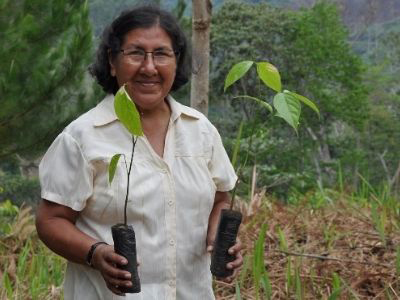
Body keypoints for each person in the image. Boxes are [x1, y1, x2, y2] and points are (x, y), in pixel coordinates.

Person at [36, 5, 243, 300]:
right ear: (112, 61)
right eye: (135, 53)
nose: (149, 67)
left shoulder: (200, 131)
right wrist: (95, 253)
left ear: (177, 61)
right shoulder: (83, 137)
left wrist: (219, 235)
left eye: (161, 54)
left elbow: (221, 198)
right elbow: (51, 220)